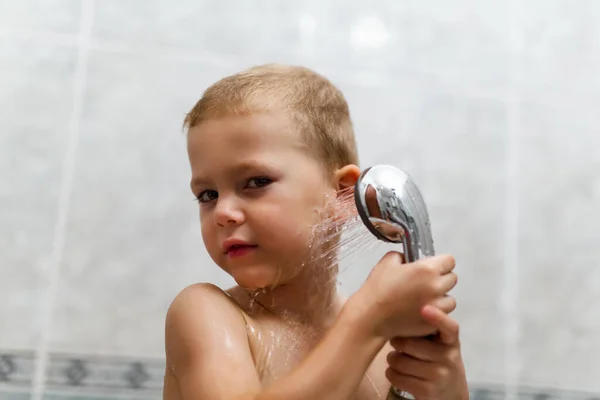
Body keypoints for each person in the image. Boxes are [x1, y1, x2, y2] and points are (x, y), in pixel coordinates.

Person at [163, 64, 469, 400]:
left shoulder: (387, 352)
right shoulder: (207, 315)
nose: (223, 212)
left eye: (256, 182)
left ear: (340, 195)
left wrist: (449, 390)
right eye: (208, 195)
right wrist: (367, 320)